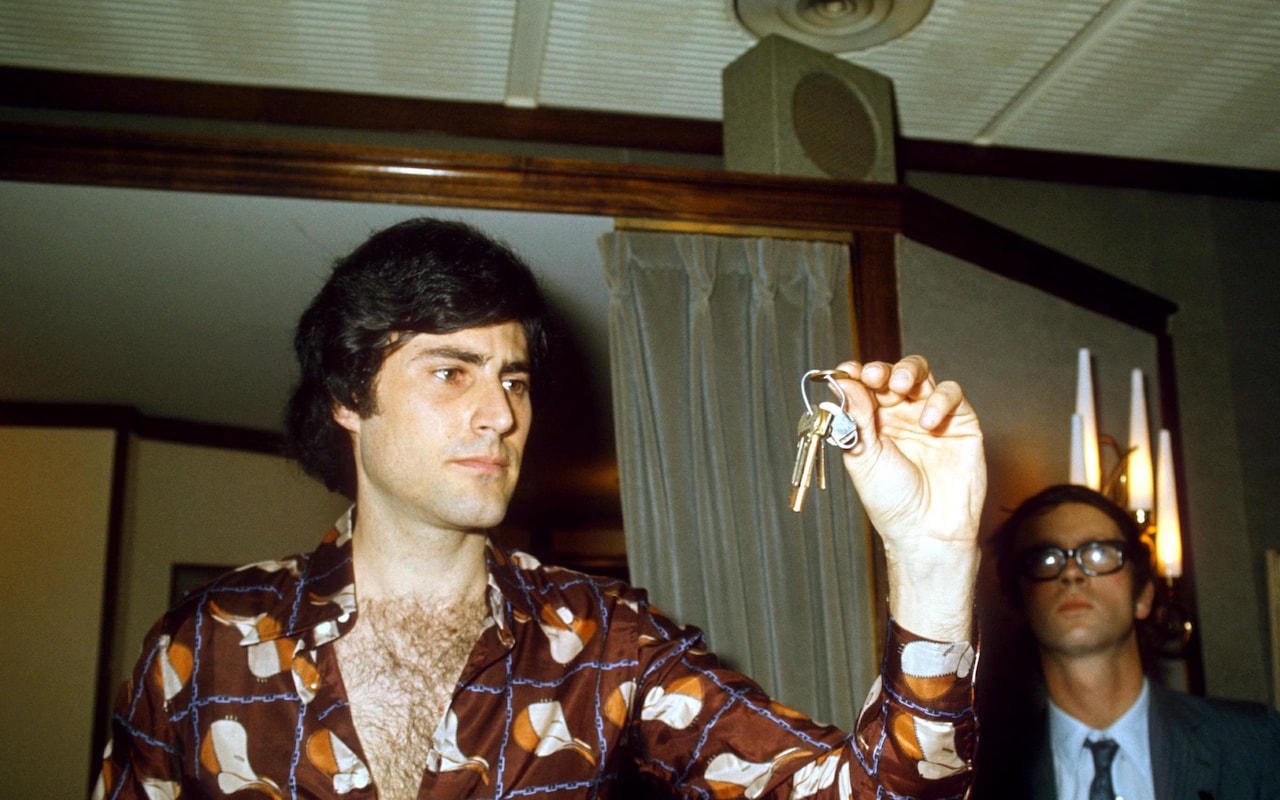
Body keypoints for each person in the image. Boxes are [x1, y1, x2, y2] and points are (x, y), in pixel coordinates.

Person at [94, 217, 986, 799]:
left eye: (513, 379)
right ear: (348, 399)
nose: (501, 412)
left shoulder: (606, 642)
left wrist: (931, 556)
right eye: (452, 372)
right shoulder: (207, 645)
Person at [975, 483, 1280, 799]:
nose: (1072, 574)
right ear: (1019, 606)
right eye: (1045, 559)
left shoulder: (1253, 742)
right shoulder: (985, 777)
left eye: (1099, 553)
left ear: (1143, 597)